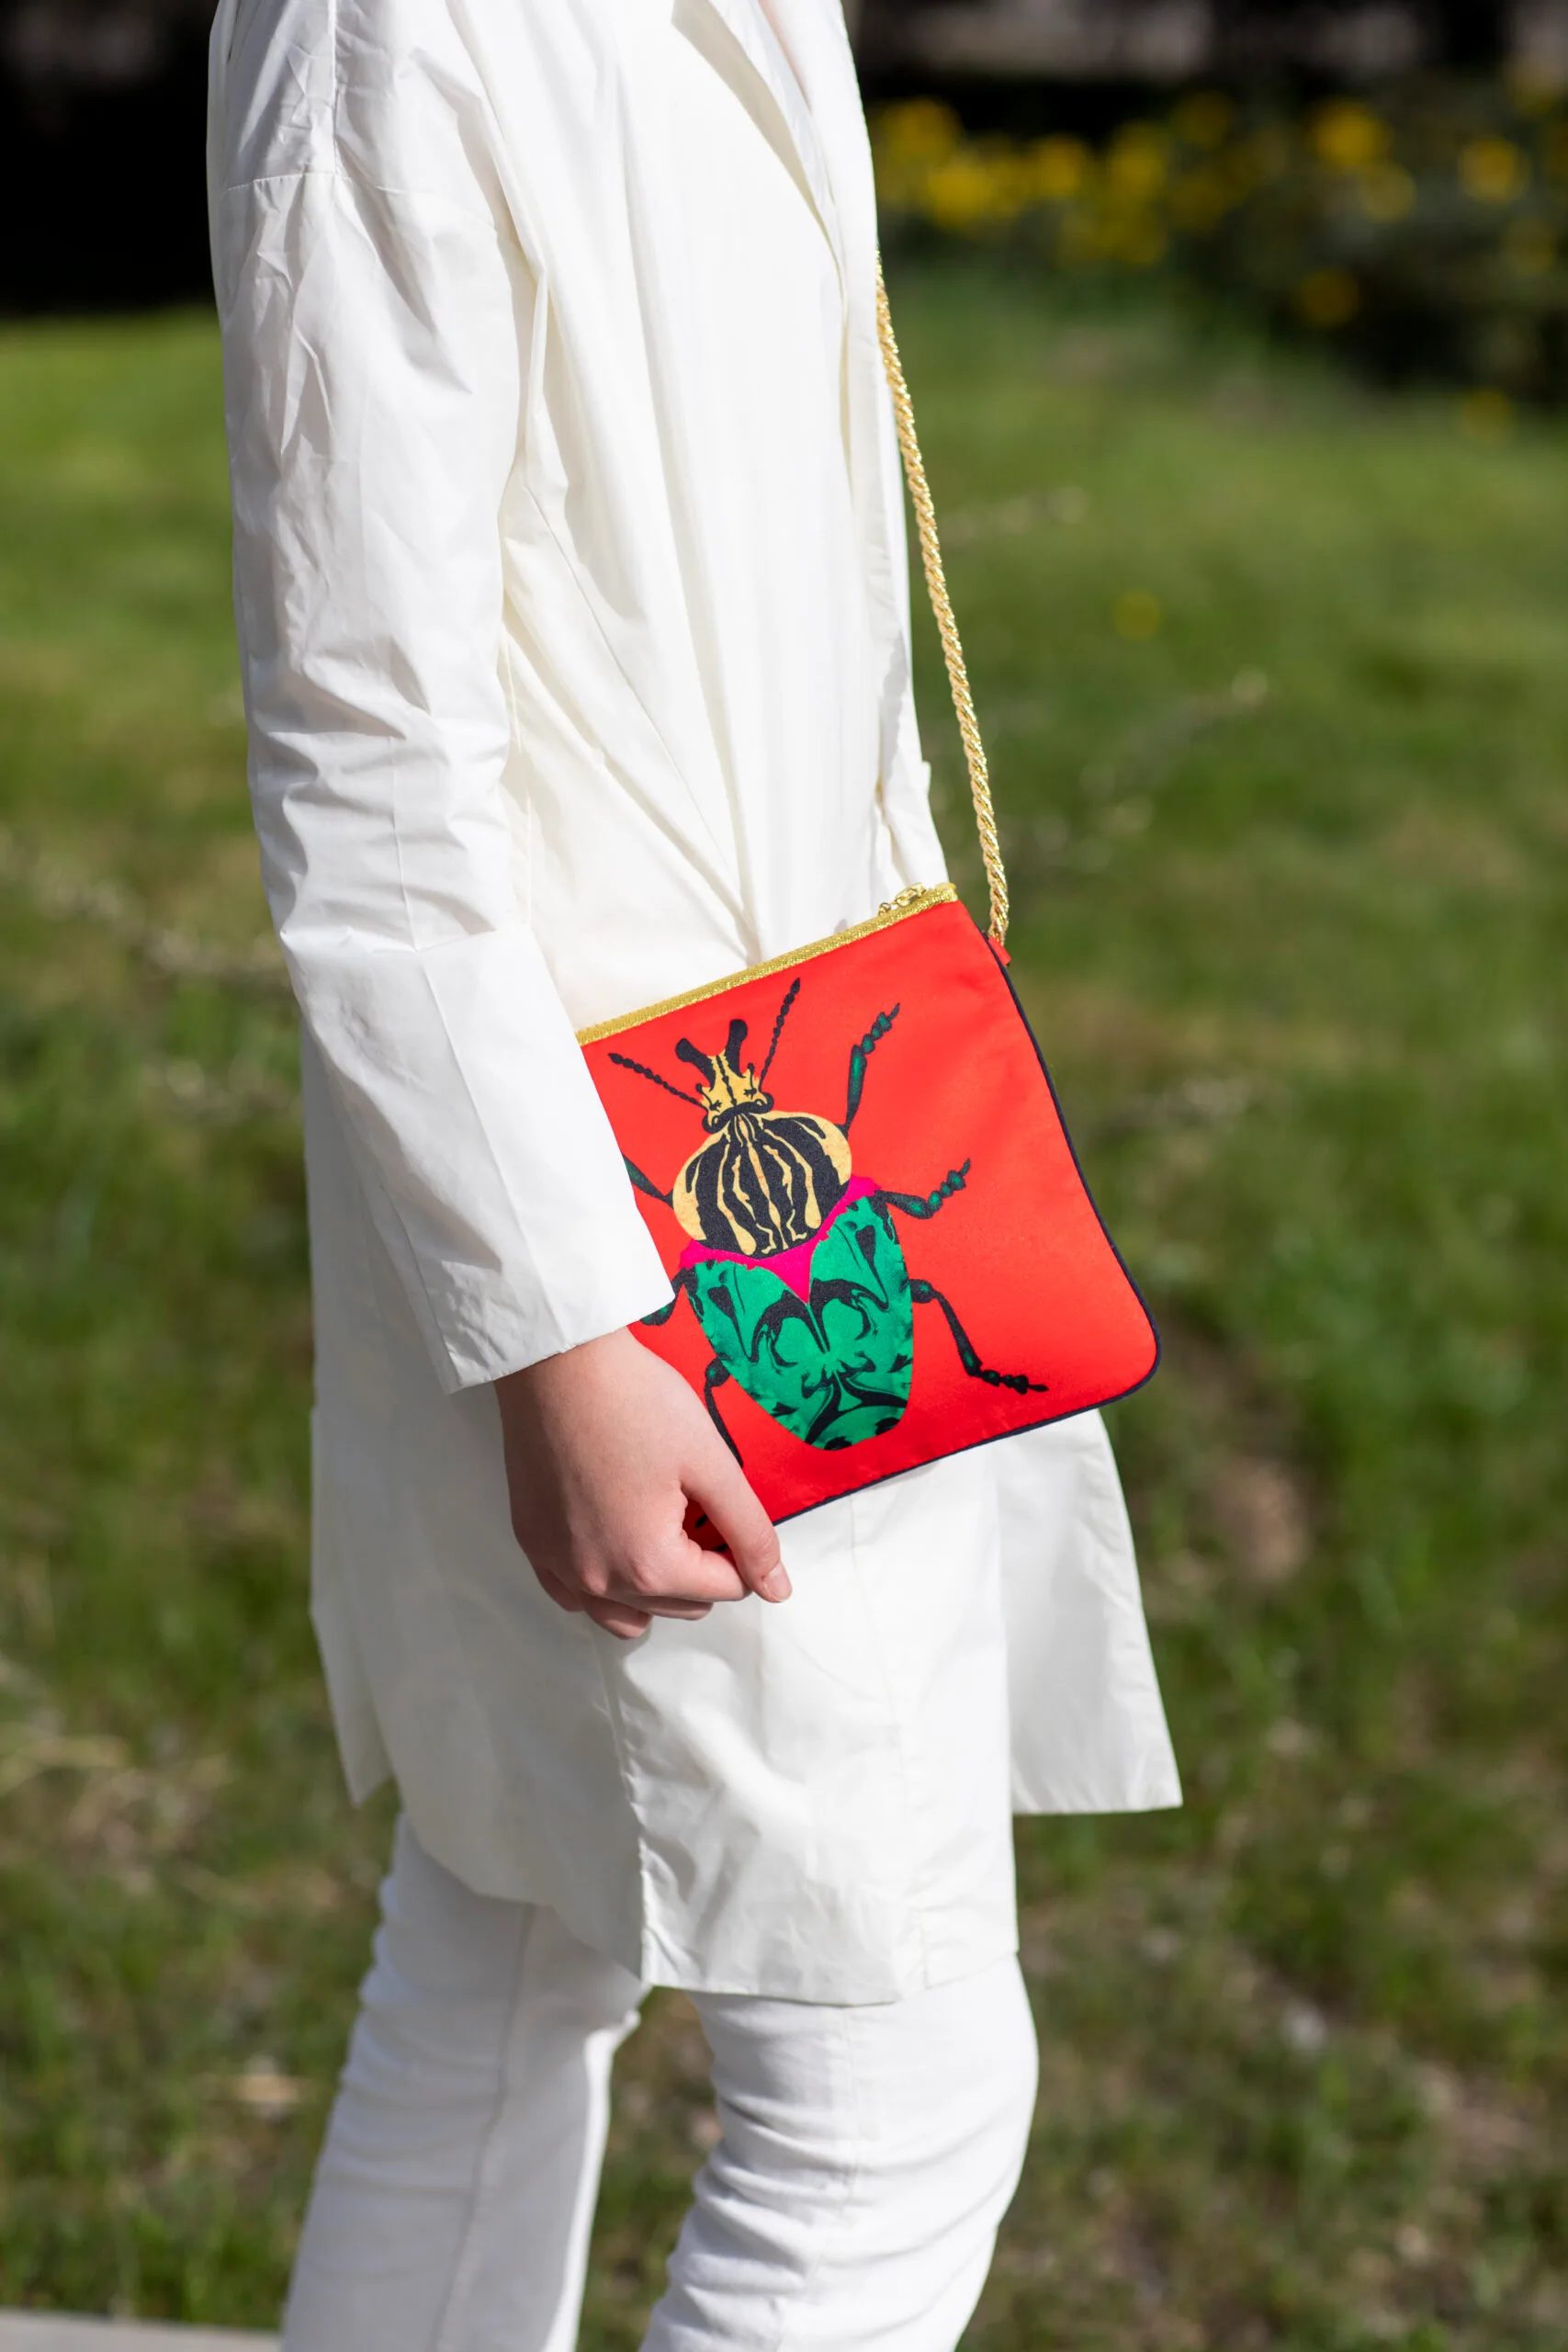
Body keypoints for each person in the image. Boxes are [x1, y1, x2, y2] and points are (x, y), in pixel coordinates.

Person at [207, 2, 1181, 2344]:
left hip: (798, 1115)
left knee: (506, 1927)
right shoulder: (388, 36)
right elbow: (367, 750)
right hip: (643, 1233)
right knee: (890, 2088)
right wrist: (559, 1324)